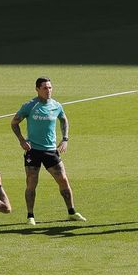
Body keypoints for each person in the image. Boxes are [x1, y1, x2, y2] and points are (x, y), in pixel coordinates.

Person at [11, 76, 86, 224]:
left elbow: (64, 119)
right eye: (45, 88)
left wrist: (65, 139)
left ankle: (71, 211)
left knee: (63, 180)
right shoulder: (29, 106)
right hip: (33, 151)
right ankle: (30, 216)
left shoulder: (56, 106)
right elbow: (14, 123)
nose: (48, 91)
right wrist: (21, 140)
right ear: (37, 89)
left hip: (51, 150)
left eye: (50, 87)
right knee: (31, 182)